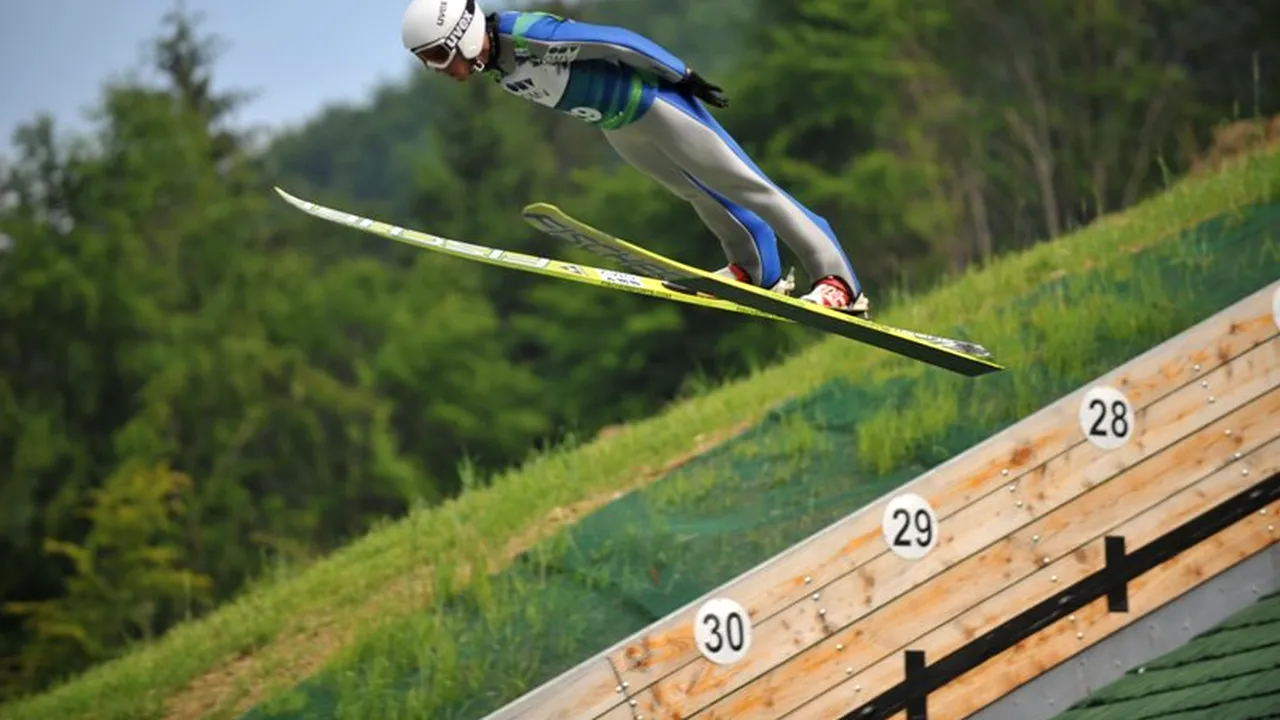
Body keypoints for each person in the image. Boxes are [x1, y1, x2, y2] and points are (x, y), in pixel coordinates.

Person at [399, 0, 870, 315]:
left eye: (438, 55)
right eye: (428, 60)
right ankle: (754, 268)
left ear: (461, 33)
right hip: (617, 127)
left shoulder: (528, 35)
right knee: (695, 192)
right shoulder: (496, 65)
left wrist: (682, 75)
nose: (439, 69)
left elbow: (616, 41)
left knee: (747, 186)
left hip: (656, 107)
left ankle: (838, 281)